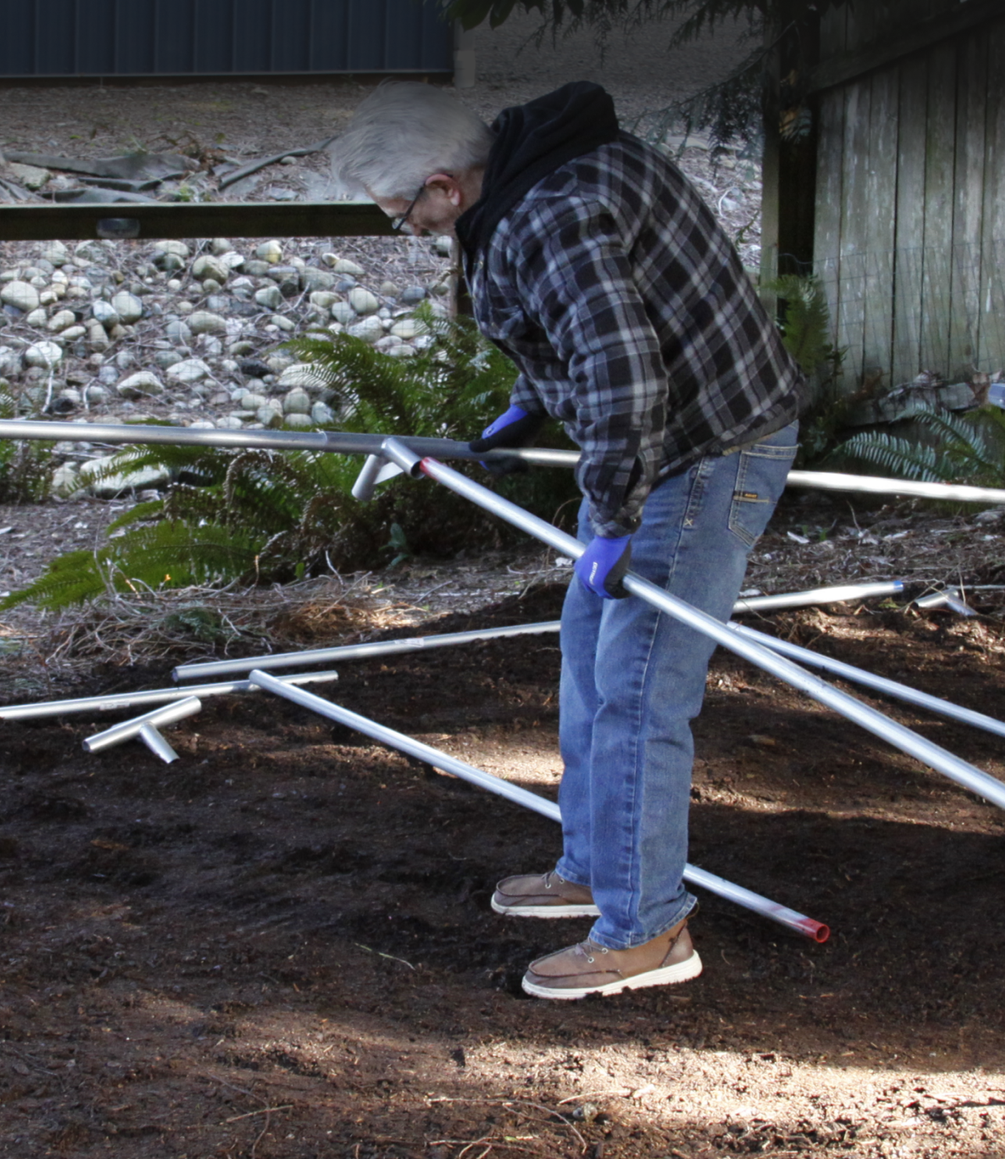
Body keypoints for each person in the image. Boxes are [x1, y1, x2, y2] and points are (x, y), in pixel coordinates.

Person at [326, 80, 804, 999]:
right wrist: (532, 403)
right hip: (660, 441)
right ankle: (595, 863)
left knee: (638, 691)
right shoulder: (537, 169)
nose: (410, 232)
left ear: (445, 186)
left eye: (403, 215)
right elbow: (606, 322)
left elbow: (621, 373)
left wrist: (616, 518)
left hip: (702, 451)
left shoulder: (548, 212)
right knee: (589, 654)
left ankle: (647, 930)